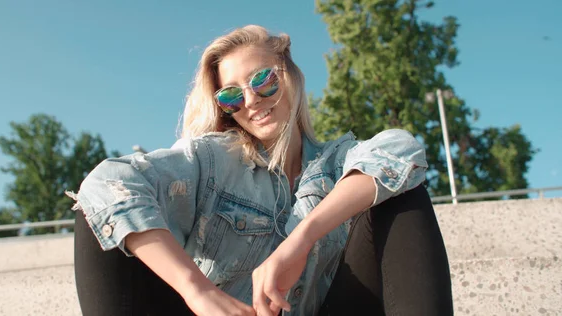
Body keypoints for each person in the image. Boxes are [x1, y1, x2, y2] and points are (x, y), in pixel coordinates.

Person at [70, 25, 453, 316]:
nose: (251, 100)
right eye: (232, 95)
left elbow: (401, 151)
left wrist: (300, 241)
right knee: (98, 215)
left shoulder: (341, 161)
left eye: (263, 80)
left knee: (397, 189)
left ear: (290, 75)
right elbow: (107, 184)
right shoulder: (212, 160)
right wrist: (197, 292)